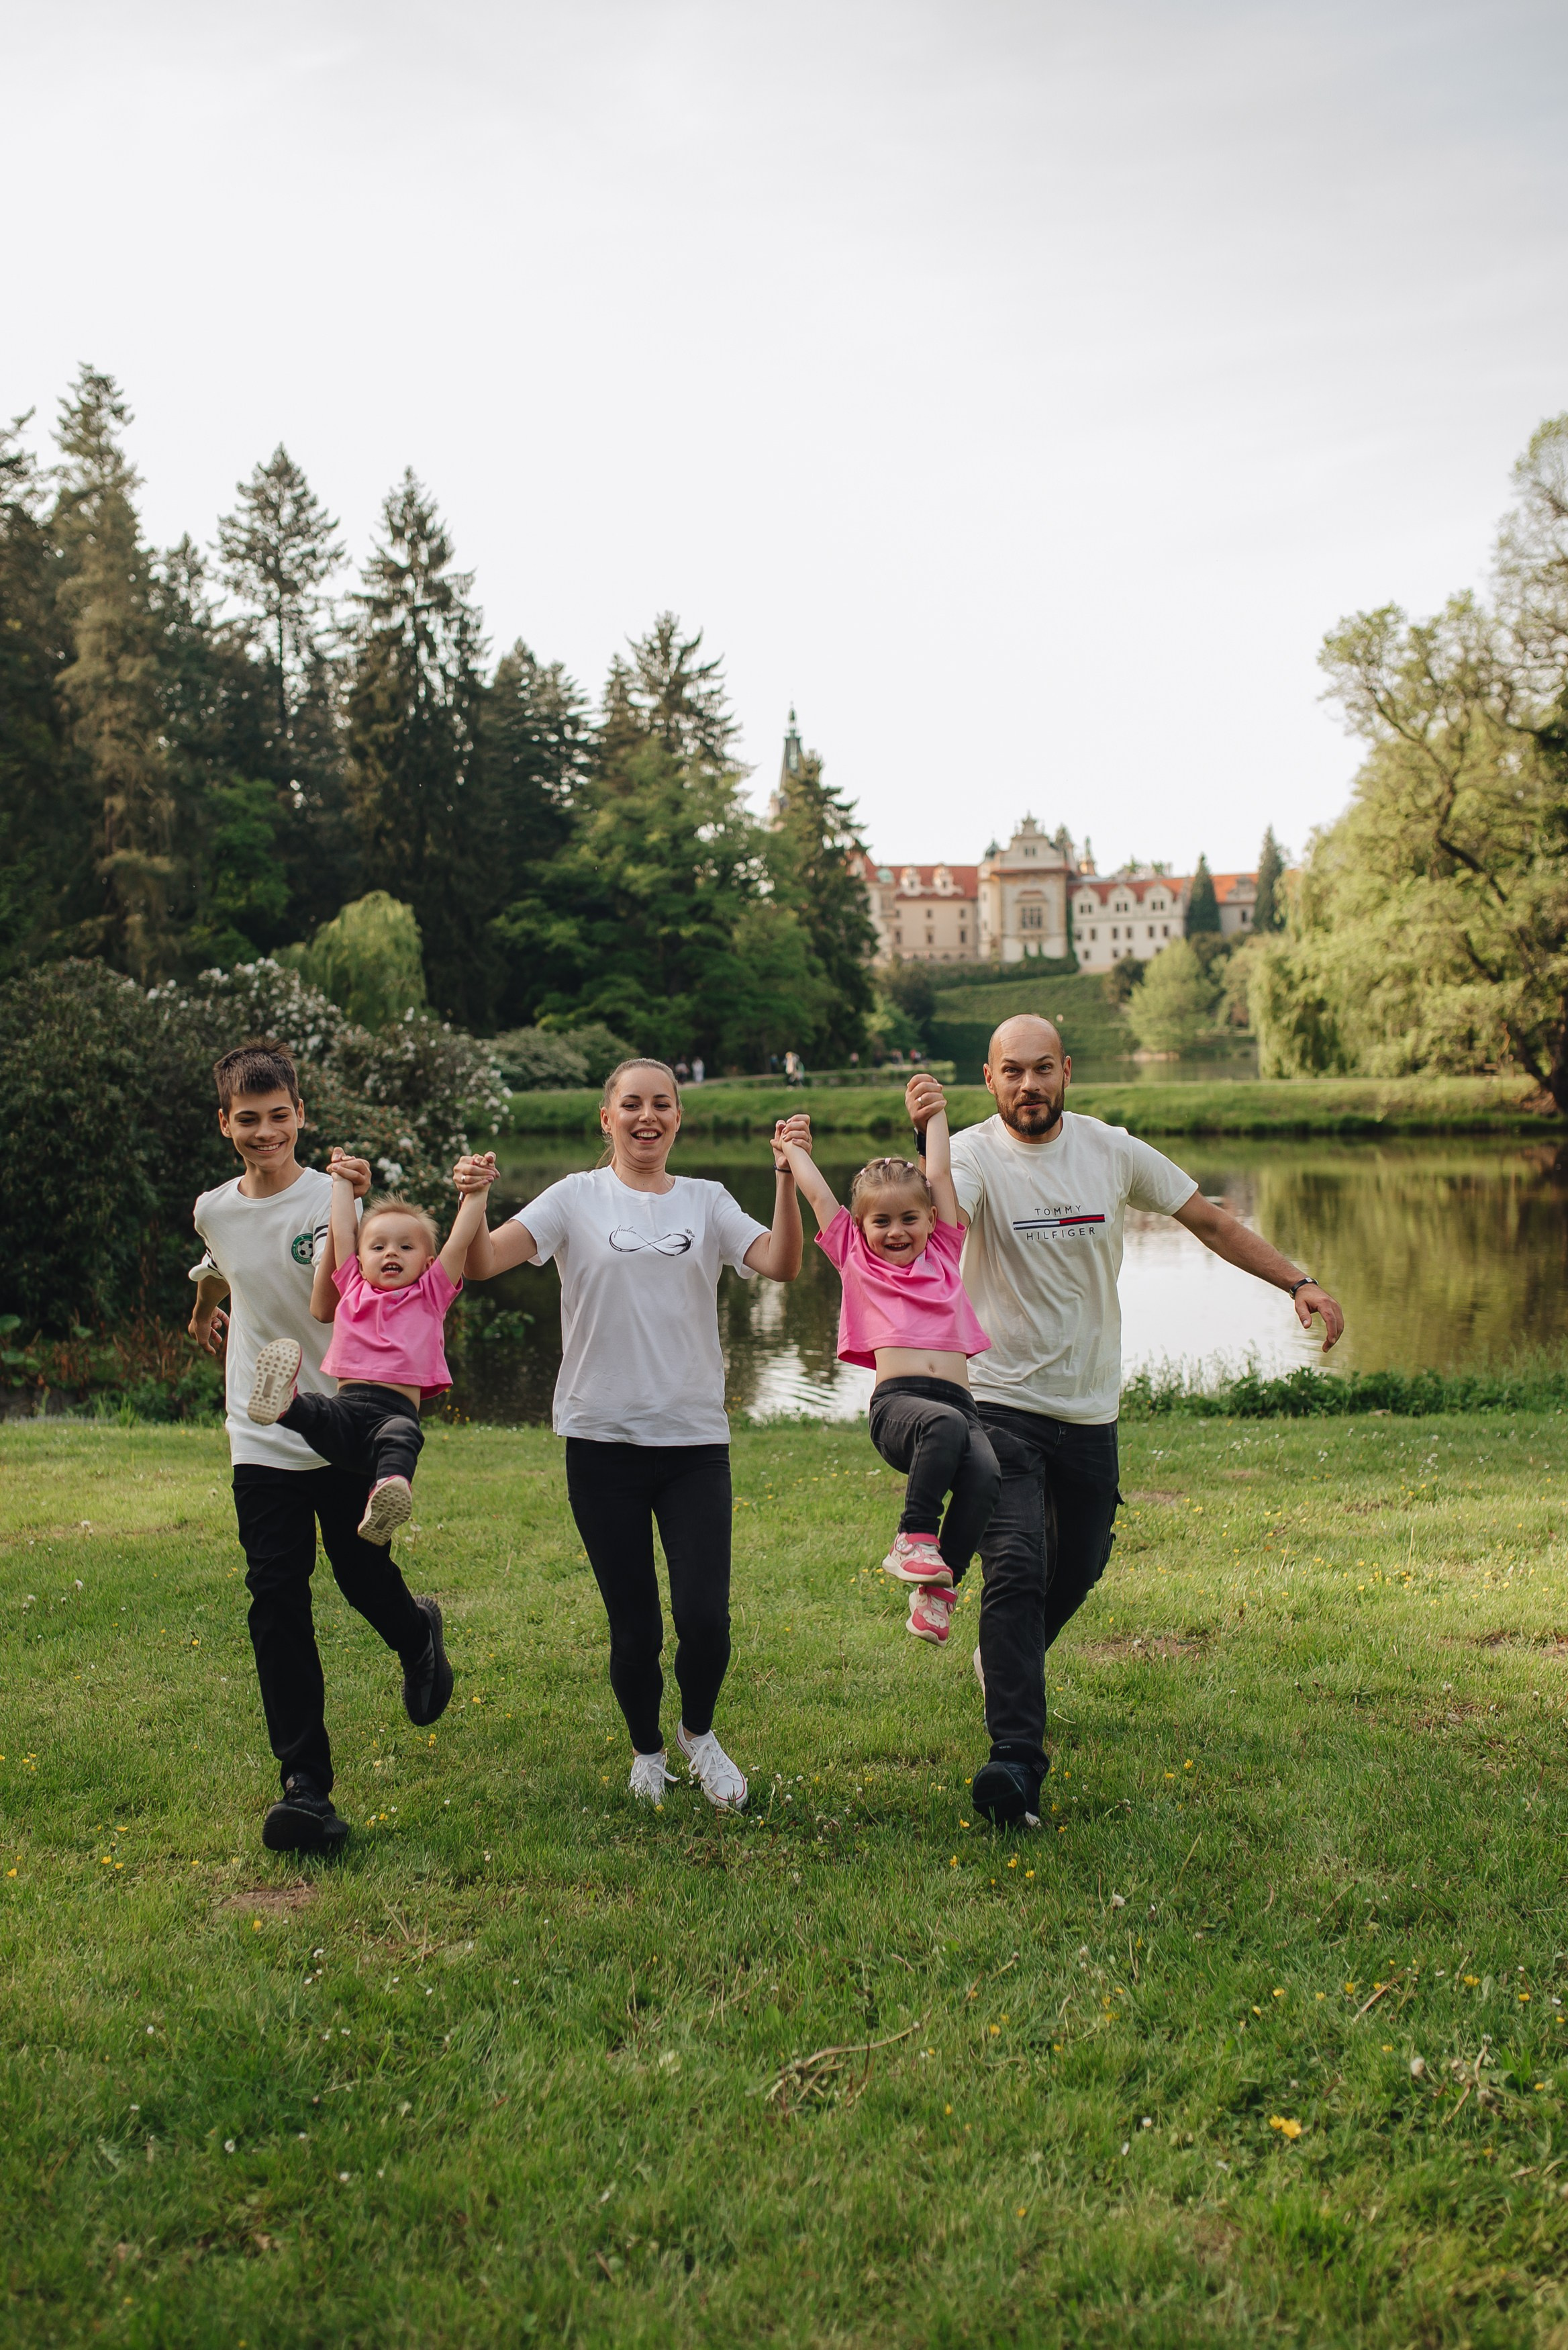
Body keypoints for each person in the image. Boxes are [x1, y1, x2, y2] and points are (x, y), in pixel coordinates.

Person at [906, 1016, 1344, 1828]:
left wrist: (1297, 1281)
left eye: (1042, 1069)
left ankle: (1005, 1659)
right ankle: (1014, 1763)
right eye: (1011, 1072)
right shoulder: (967, 1156)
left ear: (1066, 1071)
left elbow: (1208, 1219)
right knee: (1015, 1568)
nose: (1028, 1085)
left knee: (1081, 1562)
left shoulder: (1109, 1149)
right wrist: (930, 1131)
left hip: (1089, 1405)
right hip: (1000, 1400)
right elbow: (943, 1224)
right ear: (988, 1076)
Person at [454, 1060, 808, 1812]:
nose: (647, 1117)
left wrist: (783, 1174)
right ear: (606, 1116)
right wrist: (475, 1198)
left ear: (678, 1116)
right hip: (601, 1440)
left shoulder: (707, 1201)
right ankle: (647, 1750)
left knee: (706, 1620)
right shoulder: (572, 1197)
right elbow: (481, 1261)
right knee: (635, 1625)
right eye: (631, 1104)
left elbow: (780, 1261)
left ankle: (698, 1734)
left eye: (662, 1104)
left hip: (692, 1444)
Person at [189, 1042, 455, 1859]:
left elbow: (387, 1263)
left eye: (278, 1116)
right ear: (225, 1123)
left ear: (300, 1114)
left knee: (361, 1574)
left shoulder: (334, 1201)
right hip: (259, 1427)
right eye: (248, 1119)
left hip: (342, 1416)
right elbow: (219, 1260)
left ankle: (417, 1636)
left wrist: (354, 1193)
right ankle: (305, 1785)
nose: (264, 1131)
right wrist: (203, 1306)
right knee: (276, 1598)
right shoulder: (214, 1207)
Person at [779, 1107, 997, 1646]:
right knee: (944, 1427)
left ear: (930, 1220)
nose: (896, 1232)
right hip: (900, 1409)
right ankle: (911, 1537)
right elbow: (818, 1198)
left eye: (909, 1219)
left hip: (959, 1408)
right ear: (860, 1227)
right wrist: (793, 1150)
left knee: (988, 1474)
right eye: (881, 1222)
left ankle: (936, 1596)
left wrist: (937, 1116)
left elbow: (941, 1174)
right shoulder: (854, 1257)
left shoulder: (947, 1250)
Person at [245, 1156, 497, 1546]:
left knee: (403, 1436)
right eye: (378, 1246)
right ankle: (282, 1404)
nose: (391, 1253)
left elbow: (460, 1239)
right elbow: (343, 1230)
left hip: (392, 1415)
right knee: (318, 1411)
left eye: (405, 1246)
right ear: (361, 1262)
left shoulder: (430, 1293)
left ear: (429, 1263)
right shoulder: (352, 1287)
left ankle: (388, 1491)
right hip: (345, 1409)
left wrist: (477, 1192)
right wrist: (342, 1182)